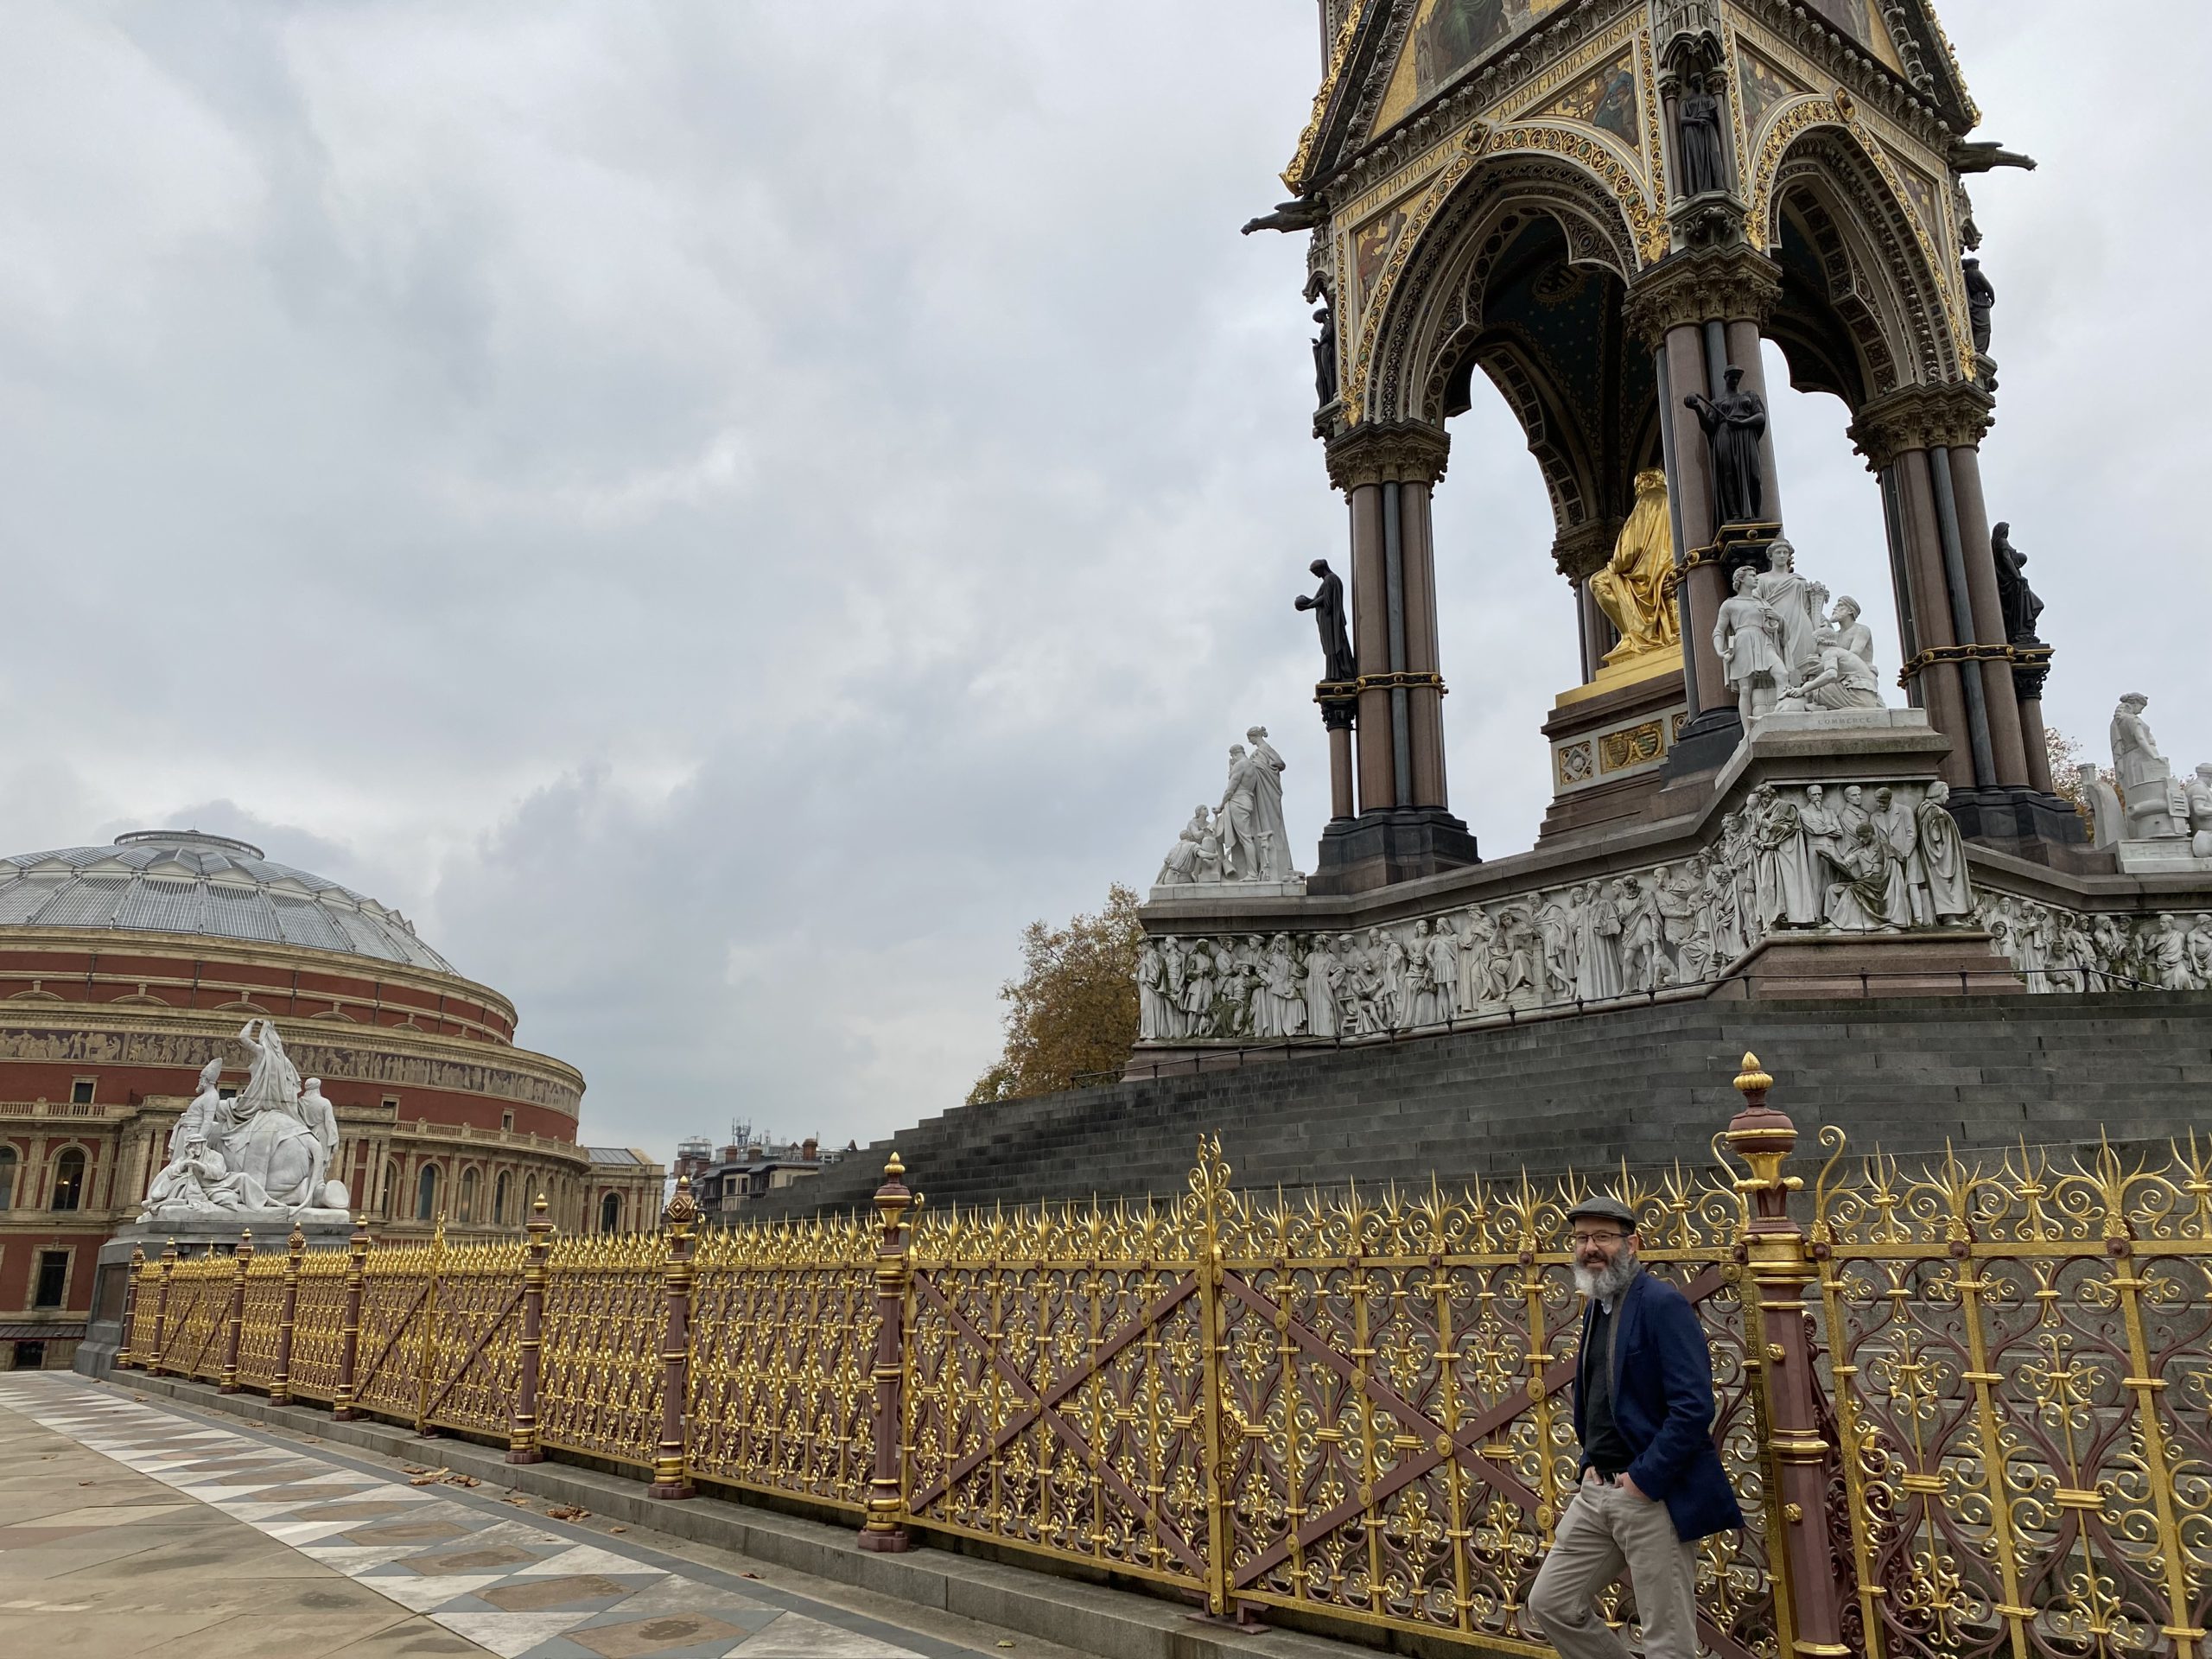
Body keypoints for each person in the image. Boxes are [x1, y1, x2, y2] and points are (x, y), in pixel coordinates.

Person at [1529, 1198, 1745, 1659]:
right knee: (1551, 1602)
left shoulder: (1662, 1304)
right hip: (1596, 1490)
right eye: (1582, 1238)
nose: (1591, 1247)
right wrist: (1589, 1461)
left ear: (1633, 1244)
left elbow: (1693, 1407)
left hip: (1649, 1495)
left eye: (1603, 1237)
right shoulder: (1599, 1304)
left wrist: (1644, 1481)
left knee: (1667, 1640)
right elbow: (1601, 1396)